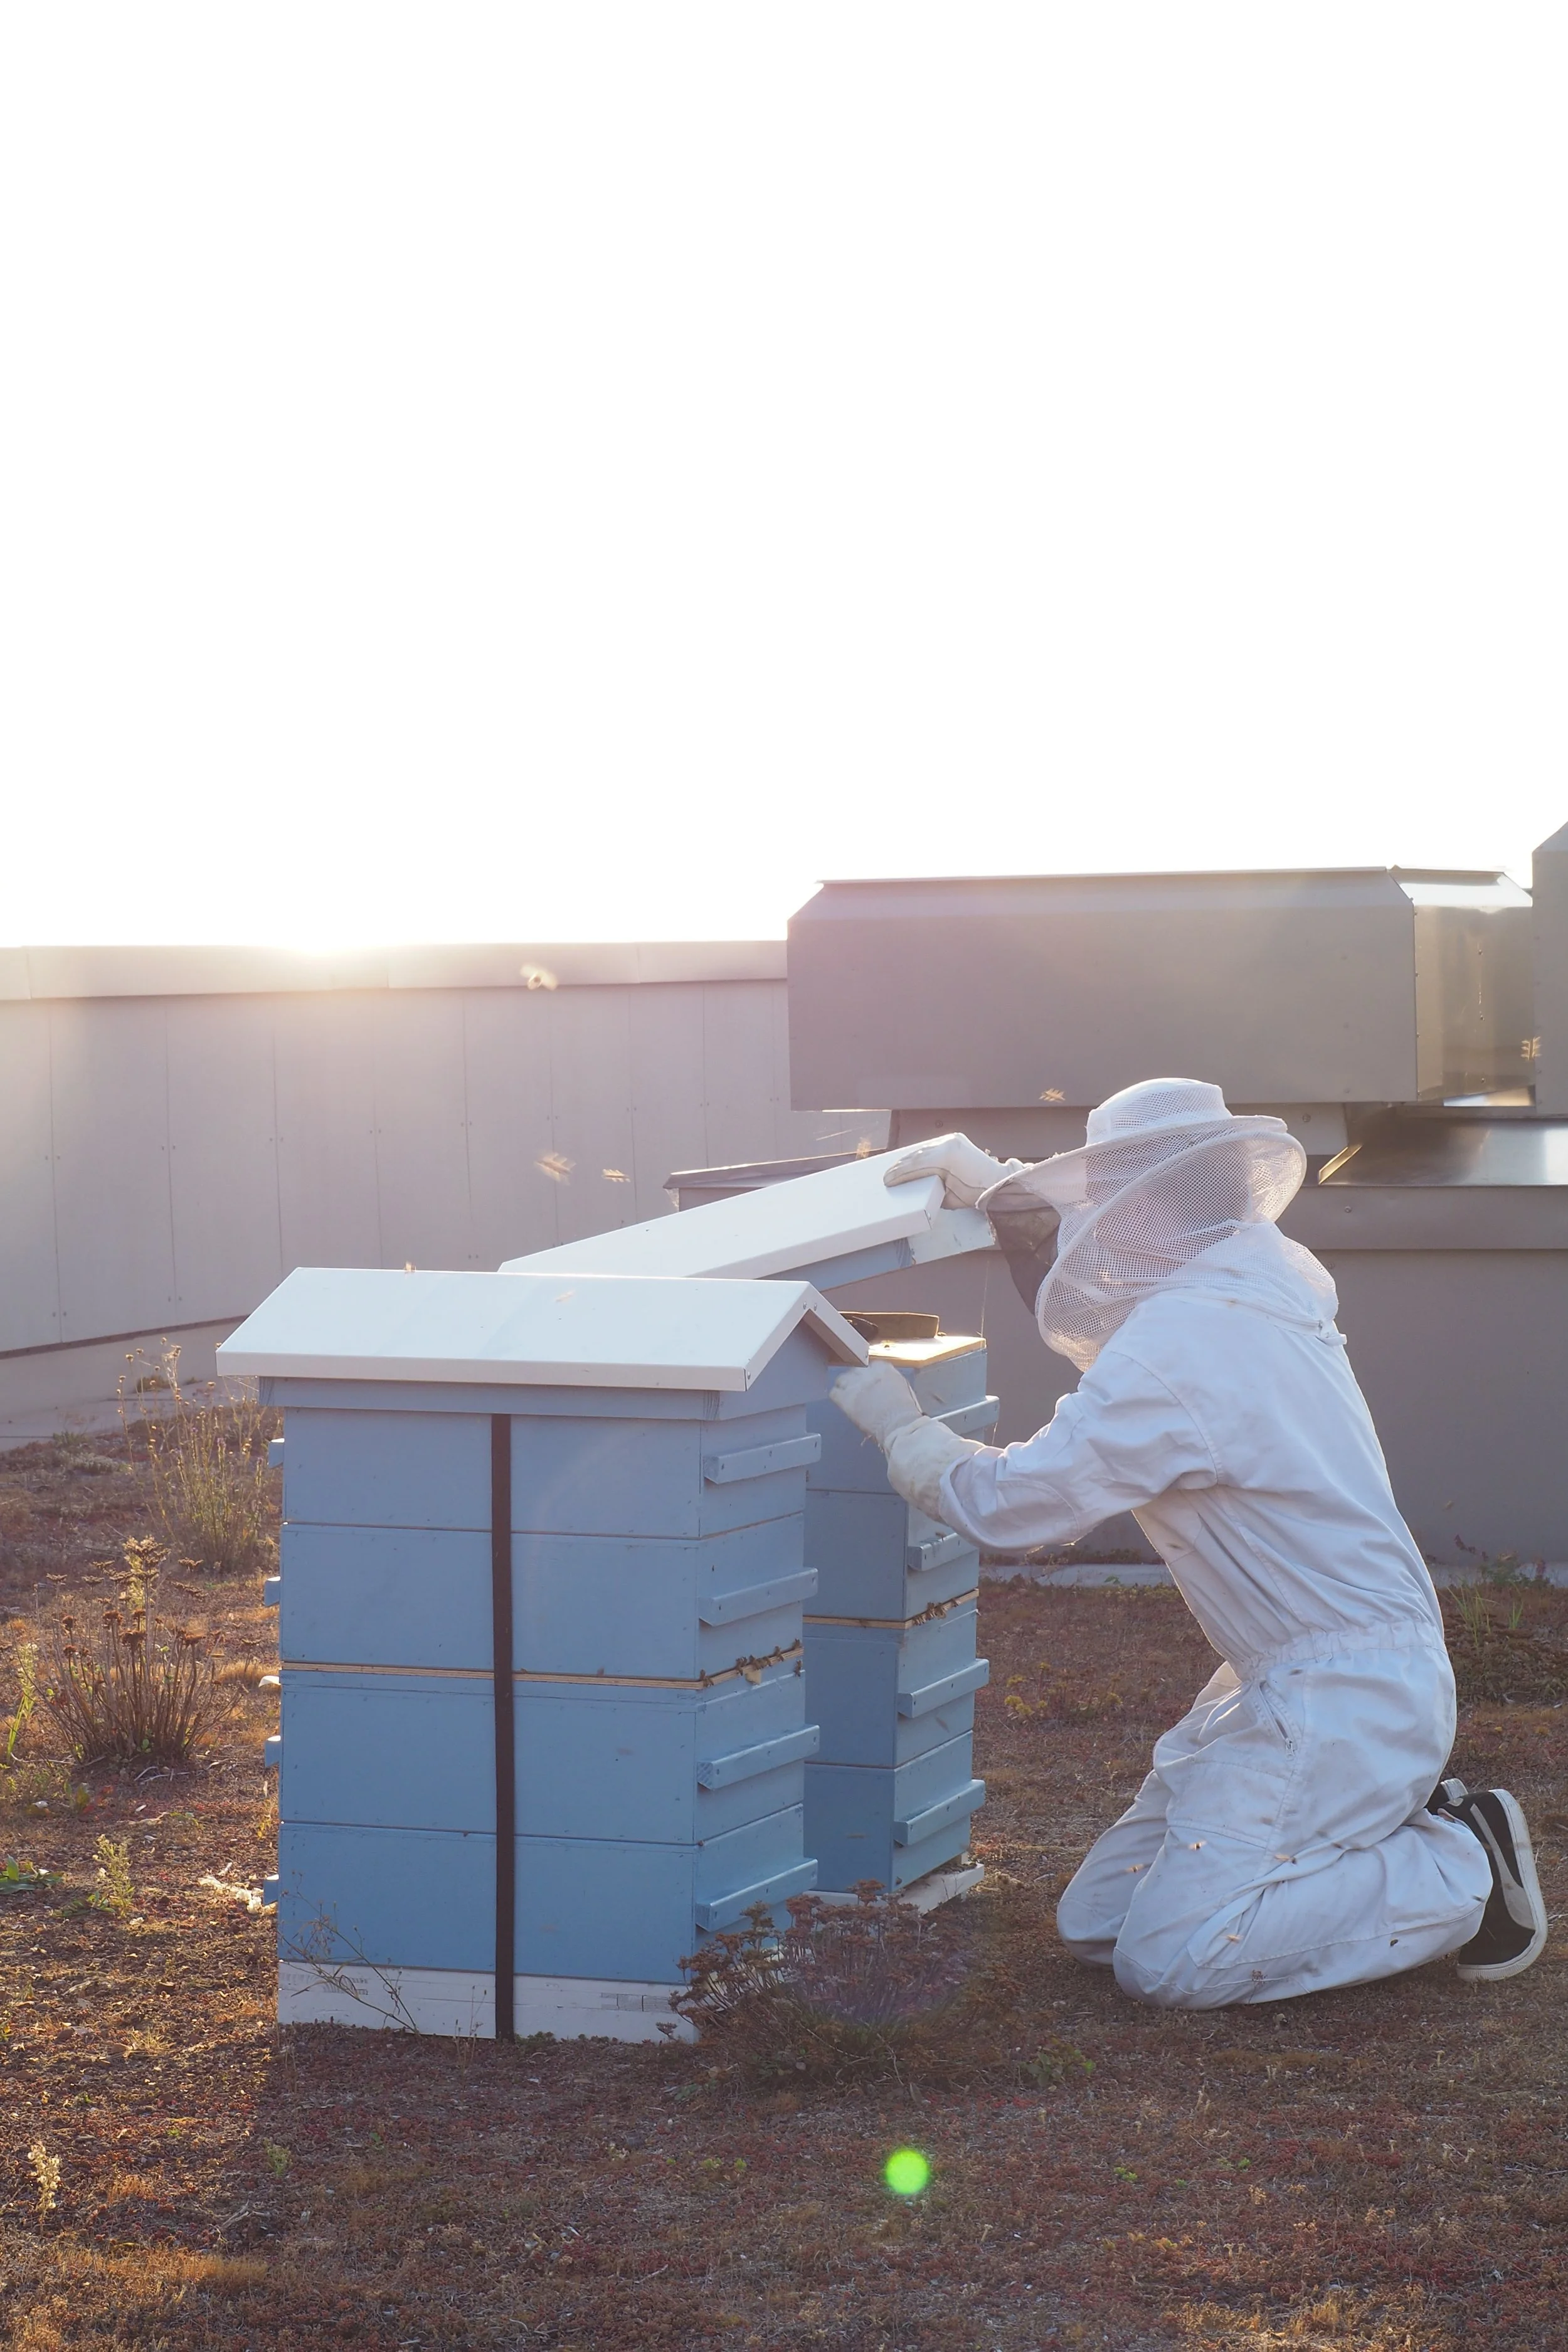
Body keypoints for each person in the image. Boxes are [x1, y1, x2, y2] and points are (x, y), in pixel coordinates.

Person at [830, 1078, 1546, 2009]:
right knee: (1098, 1926)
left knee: (1174, 1961)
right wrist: (1012, 1197)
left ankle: (1464, 1870)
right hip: (1298, 1682)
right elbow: (1114, 1341)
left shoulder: (1189, 1342)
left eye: (1104, 1196)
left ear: (1153, 1199)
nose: (1094, 1218)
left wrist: (905, 1436)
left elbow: (1020, 1504)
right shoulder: (1246, 1287)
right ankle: (1362, 1834)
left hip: (1343, 1698)